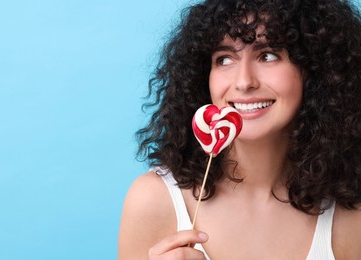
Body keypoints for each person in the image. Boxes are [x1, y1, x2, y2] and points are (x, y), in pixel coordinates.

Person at [119, 0, 361, 259]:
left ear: (314, 69)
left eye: (268, 55)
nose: (244, 81)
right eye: (224, 59)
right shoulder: (154, 201)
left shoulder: (350, 210)